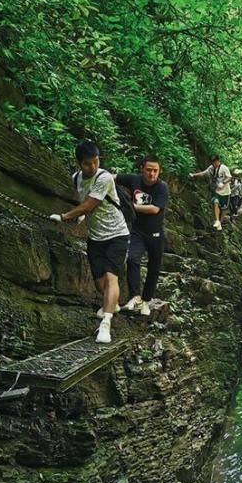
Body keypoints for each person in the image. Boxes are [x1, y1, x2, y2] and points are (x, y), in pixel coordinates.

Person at [50, 140, 130, 344]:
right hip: (95, 237)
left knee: (111, 278)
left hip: (117, 235)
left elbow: (90, 204)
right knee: (99, 282)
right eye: (87, 163)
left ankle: (106, 324)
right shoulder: (76, 178)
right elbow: (82, 202)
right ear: (79, 163)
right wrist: (79, 216)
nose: (92, 167)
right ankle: (112, 303)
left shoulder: (104, 178)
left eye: (96, 161)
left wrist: (66, 216)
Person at [114, 155, 168, 317]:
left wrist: (130, 206)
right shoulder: (133, 180)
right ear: (142, 169)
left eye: (155, 171)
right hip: (137, 231)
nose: (152, 174)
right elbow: (112, 177)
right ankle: (135, 297)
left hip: (156, 234)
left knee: (154, 267)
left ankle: (145, 301)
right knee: (132, 259)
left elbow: (154, 209)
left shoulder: (162, 187)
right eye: (149, 170)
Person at [189, 155, 232, 231]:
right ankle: (217, 220)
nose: (214, 164)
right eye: (212, 162)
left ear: (218, 161)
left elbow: (229, 177)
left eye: (215, 162)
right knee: (215, 202)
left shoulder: (224, 168)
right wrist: (194, 175)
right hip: (216, 191)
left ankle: (220, 223)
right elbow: (203, 173)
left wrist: (223, 182)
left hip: (225, 192)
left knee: (224, 209)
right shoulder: (211, 168)